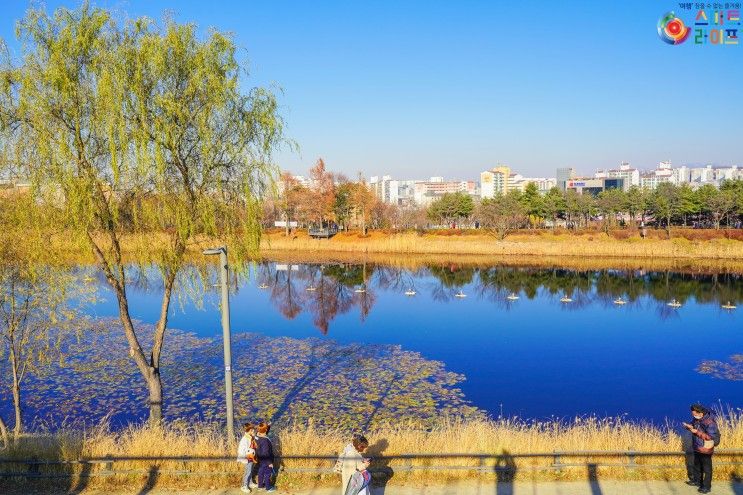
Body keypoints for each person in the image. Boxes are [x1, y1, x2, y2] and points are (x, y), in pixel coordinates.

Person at [682, 403, 719, 494]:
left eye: (694, 414)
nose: (693, 416)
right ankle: (697, 481)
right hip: (697, 446)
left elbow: (710, 437)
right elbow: (694, 425)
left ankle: (706, 487)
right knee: (697, 465)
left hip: (706, 448)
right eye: (692, 414)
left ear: (700, 413)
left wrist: (697, 432)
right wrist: (689, 426)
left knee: (707, 468)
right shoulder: (697, 419)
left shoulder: (710, 422)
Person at [237, 422, 258, 493]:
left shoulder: (251, 437)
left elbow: (255, 442)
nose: (253, 431)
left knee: (251, 470)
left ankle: (250, 482)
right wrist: (250, 452)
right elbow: (241, 450)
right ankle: (244, 486)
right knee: (247, 472)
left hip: (251, 457)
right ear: (248, 430)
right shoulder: (244, 439)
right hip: (247, 458)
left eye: (253, 430)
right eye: (252, 430)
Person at [255, 421, 276, 492]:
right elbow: (266, 453)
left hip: (260, 459)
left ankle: (260, 486)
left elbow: (263, 430)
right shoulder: (265, 441)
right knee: (267, 473)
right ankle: (268, 487)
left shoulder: (257, 436)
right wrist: (269, 462)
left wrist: (268, 426)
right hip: (266, 460)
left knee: (260, 472)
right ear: (266, 430)